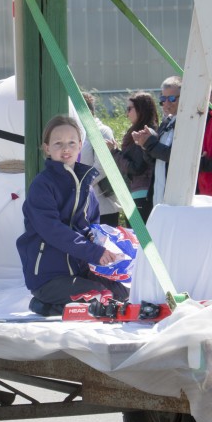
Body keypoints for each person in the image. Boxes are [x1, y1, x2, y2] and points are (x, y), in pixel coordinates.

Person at [17, 114, 128, 315]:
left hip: (79, 271)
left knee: (121, 292)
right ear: (47, 148)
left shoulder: (86, 186)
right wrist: (93, 252)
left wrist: (108, 246)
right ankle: (45, 304)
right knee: (100, 296)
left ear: (80, 146)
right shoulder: (42, 185)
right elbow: (52, 230)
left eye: (71, 142)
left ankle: (67, 304)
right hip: (49, 277)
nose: (65, 148)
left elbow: (92, 227)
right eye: (58, 143)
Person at [132, 76, 181, 207]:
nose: (167, 103)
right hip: (159, 194)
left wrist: (150, 143)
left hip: (178, 196)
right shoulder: (166, 122)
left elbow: (174, 156)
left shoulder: (188, 122)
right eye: (163, 99)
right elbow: (153, 160)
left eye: (172, 98)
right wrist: (144, 145)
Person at [111, 91, 159, 222]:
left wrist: (114, 152)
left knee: (138, 234)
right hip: (138, 193)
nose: (126, 114)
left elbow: (136, 167)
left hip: (143, 194)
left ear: (141, 109)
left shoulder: (144, 134)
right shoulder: (139, 131)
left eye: (129, 109)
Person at [79, 92, 120, 227]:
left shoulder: (102, 131)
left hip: (103, 207)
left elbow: (102, 167)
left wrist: (78, 185)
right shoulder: (77, 132)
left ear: (89, 111)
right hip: (82, 208)